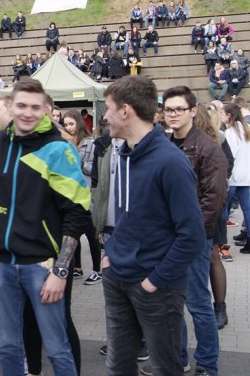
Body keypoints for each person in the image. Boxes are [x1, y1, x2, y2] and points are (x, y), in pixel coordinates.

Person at [0, 79, 89, 376]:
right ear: (11, 106)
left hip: (43, 266)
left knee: (57, 348)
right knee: (11, 347)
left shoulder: (58, 149)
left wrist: (61, 271)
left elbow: (76, 214)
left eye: (35, 107)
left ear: (46, 109)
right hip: (1, 265)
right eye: (22, 106)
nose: (28, 113)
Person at [100, 76, 205, 375]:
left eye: (108, 108)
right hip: (117, 277)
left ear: (125, 110)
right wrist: (111, 256)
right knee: (118, 367)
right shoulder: (124, 155)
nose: (104, 116)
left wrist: (154, 281)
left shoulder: (170, 162)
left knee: (164, 369)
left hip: (155, 288)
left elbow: (193, 236)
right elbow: (127, 218)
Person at [161, 86, 227, 376]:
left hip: (194, 239)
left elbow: (213, 199)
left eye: (178, 109)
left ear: (192, 111)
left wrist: (189, 235)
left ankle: (207, 364)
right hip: (164, 236)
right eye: (168, 109)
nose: (172, 114)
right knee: (171, 303)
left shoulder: (207, 148)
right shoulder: (162, 144)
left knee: (198, 303)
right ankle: (179, 357)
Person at [62, 110, 101, 285]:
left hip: (87, 193)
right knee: (73, 232)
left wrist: (77, 159)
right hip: (71, 193)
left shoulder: (90, 142)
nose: (69, 128)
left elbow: (94, 169)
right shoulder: (65, 143)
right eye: (66, 124)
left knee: (91, 235)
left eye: (71, 124)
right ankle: (77, 267)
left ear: (79, 123)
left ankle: (97, 270)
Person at [223, 103, 250, 256]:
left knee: (223, 211)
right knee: (247, 210)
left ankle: (221, 243)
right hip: (246, 175)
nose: (221, 116)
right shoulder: (246, 128)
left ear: (229, 115)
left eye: (223, 114)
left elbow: (230, 155)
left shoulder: (231, 132)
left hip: (234, 176)